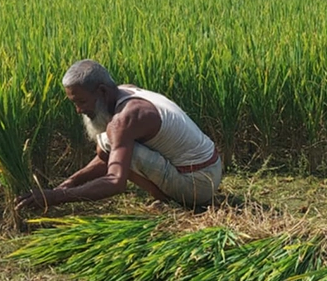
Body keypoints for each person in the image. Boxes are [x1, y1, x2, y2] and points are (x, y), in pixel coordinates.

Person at [16, 60, 222, 212]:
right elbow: (106, 156)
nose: (79, 110)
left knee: (109, 141)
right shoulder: (126, 91)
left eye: (81, 101)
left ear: (102, 91)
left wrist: (57, 197)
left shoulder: (124, 119)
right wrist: (67, 185)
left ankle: (174, 200)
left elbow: (116, 181)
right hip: (211, 169)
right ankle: (170, 192)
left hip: (198, 186)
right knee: (108, 142)